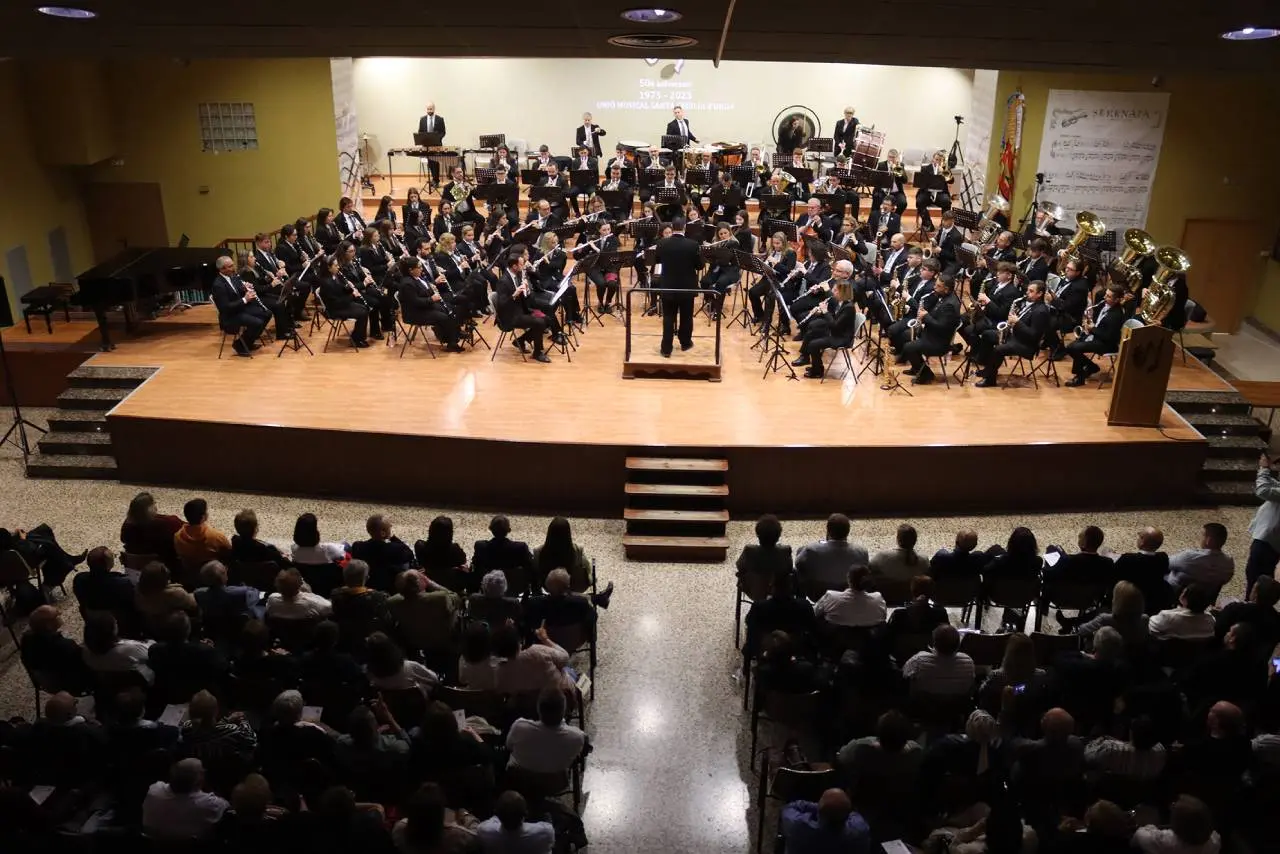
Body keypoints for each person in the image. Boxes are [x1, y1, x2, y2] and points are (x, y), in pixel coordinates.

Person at [976, 280, 1051, 388]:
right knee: (988, 334)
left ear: (1039, 294)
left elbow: (1033, 335)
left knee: (998, 349)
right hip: (1016, 336)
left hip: (1026, 345)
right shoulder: (1029, 304)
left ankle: (990, 379)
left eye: (1031, 291)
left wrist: (1017, 322)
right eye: (1028, 290)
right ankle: (987, 368)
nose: (1027, 293)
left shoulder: (1041, 311)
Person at [142, 758, 229, 840]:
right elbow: (229, 808)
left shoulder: (153, 790)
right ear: (200, 780)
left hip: (154, 848)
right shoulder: (212, 804)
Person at [506, 687, 586, 775]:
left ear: (538, 709)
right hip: (556, 784)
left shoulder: (519, 727)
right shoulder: (577, 737)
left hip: (521, 782)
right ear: (564, 710)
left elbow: (509, 746)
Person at [794, 272, 858, 380]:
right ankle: (815, 364)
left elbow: (835, 325)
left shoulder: (849, 307)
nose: (832, 291)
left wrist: (825, 312)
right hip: (836, 332)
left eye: (835, 290)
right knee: (811, 333)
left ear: (843, 292)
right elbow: (834, 320)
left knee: (814, 344)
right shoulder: (840, 303)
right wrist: (820, 313)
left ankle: (817, 371)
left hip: (842, 338)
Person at [655, 217, 701, 358]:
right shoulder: (692, 245)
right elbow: (699, 266)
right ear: (684, 228)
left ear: (672, 228)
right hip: (687, 287)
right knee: (686, 317)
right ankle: (685, 343)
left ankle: (666, 348)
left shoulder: (662, 243)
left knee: (668, 317)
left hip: (668, 286)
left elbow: (657, 260)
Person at [494, 248, 550, 363]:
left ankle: (521, 340)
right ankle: (537, 353)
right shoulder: (503, 281)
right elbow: (502, 304)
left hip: (520, 309)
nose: (523, 265)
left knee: (547, 319)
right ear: (514, 266)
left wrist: (527, 291)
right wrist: (514, 295)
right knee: (539, 322)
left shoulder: (518, 275)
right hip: (509, 316)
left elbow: (524, 298)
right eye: (521, 264)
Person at [20, 605, 92, 693]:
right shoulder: (64, 645)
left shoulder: (26, 642)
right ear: (48, 625)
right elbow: (85, 664)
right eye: (56, 615)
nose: (60, 614)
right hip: (73, 685)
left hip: (47, 685)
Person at [1065, 284, 1126, 386]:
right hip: (1096, 337)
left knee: (1075, 348)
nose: (1104, 298)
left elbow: (1109, 337)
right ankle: (1092, 367)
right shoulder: (1105, 305)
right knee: (1070, 347)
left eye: (1108, 296)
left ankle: (1080, 378)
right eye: (1106, 295)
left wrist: (1092, 329)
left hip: (1106, 344)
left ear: (1117, 300)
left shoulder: (1116, 315)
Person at [211, 255, 272, 355]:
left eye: (232, 265)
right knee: (257, 322)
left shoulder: (233, 276)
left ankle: (248, 342)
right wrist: (245, 299)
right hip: (230, 316)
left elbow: (237, 290)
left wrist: (245, 288)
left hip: (240, 309)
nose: (233, 268)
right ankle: (240, 345)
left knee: (266, 313)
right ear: (222, 269)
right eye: (230, 266)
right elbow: (225, 308)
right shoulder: (218, 285)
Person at [393, 783, 479, 854]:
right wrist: (465, 815)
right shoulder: (456, 835)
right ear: (441, 813)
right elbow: (477, 834)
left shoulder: (399, 829)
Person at [795, 514, 870, 595]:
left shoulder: (812, 550)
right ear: (848, 532)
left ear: (828, 531)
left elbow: (798, 564)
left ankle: (801, 599)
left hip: (817, 594)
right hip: (848, 594)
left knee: (800, 554)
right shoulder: (861, 552)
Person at [399, 257, 463, 351]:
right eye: (419, 267)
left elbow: (421, 293)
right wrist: (431, 299)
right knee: (442, 317)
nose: (422, 269)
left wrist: (430, 289)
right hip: (414, 313)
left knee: (446, 308)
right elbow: (415, 302)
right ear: (411, 270)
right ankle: (451, 342)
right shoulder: (407, 284)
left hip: (422, 308)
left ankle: (454, 335)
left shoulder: (416, 278)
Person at [780, 787, 871, 854]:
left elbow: (790, 807)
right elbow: (853, 814)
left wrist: (818, 806)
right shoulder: (860, 830)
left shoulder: (797, 826)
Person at [179, 689, 257, 766]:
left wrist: (227, 720)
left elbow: (211, 730)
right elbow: (251, 740)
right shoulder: (232, 731)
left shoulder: (187, 730)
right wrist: (242, 720)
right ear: (216, 711)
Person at [902, 624, 976, 698]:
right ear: (958, 645)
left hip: (922, 707)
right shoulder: (968, 662)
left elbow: (904, 673)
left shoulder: (919, 660)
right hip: (957, 708)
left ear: (934, 643)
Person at [82, 610, 153, 683]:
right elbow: (151, 653)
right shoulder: (128, 650)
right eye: (115, 622)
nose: (116, 621)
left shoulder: (86, 654)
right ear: (111, 632)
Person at [1132, 795, 1219, 854]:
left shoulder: (1167, 841)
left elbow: (1139, 835)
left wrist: (1150, 827)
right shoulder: (1214, 840)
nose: (1172, 805)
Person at [317, 253, 371, 347]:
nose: (338, 267)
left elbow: (341, 290)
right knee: (362, 312)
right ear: (329, 268)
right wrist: (352, 296)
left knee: (364, 308)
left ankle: (357, 336)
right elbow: (336, 302)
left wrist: (349, 288)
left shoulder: (335, 276)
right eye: (335, 265)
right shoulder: (326, 283)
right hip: (335, 309)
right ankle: (357, 339)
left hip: (342, 304)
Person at [1115, 526, 1172, 615]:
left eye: (1140, 535)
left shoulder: (1127, 559)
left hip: (1130, 602)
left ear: (1142, 542)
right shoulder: (1163, 558)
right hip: (1155, 602)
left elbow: (1115, 574)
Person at [1245, 453, 1280, 597]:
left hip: (1269, 540)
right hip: (1271, 539)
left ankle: (1252, 605)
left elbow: (1263, 491)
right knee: (1260, 573)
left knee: (1256, 574)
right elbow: (1276, 486)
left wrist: (1264, 469)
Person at [350, 514, 415, 592]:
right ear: (383, 533)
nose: (391, 526)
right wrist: (393, 538)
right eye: (389, 527)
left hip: (366, 585)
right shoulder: (395, 548)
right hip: (388, 589)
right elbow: (410, 554)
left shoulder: (357, 546)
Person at [472, 516, 535, 595]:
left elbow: (475, 566)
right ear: (509, 530)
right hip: (514, 587)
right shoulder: (520, 548)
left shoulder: (480, 547)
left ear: (491, 529)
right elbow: (531, 568)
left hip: (488, 586)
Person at [477, 791, 554, 854]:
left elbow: (492, 820)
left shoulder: (484, 831)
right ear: (526, 814)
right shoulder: (545, 832)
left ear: (496, 813)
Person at [1166, 522, 1234, 594]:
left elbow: (1166, 562)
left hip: (1175, 592)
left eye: (1202, 535)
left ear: (1208, 540)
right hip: (1206, 598)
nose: (1200, 538)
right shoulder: (1229, 563)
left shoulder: (1191, 557)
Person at [1215, 573, 1280, 647]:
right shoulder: (1276, 620)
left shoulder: (1235, 609)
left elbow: (1218, 629)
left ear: (1255, 594)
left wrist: (1219, 613)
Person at [814, 566, 886, 628]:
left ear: (848, 579)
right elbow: (883, 617)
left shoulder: (831, 597)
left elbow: (814, 612)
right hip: (869, 642)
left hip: (834, 641)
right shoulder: (878, 600)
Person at [121, 492, 183, 564]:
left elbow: (123, 539)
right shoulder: (169, 522)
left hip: (134, 568)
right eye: (154, 503)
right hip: (165, 568)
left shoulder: (127, 525)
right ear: (150, 509)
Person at [135, 561, 198, 630]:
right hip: (173, 628)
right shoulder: (174, 593)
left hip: (149, 627)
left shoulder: (137, 591)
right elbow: (194, 604)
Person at [73, 546, 136, 615]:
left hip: (91, 615)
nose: (114, 557)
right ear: (109, 565)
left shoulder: (79, 579)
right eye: (112, 556)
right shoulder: (122, 583)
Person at [173, 498, 232, 572]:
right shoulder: (216, 536)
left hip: (191, 573)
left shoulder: (177, 536)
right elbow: (229, 552)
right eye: (206, 511)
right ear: (203, 517)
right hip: (213, 573)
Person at [886, 576, 950, 638]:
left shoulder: (899, 614)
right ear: (932, 592)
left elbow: (888, 636)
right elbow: (947, 637)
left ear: (912, 591)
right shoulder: (940, 613)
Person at [736, 514, 794, 583]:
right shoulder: (785, 551)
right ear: (778, 536)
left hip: (755, 589)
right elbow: (789, 569)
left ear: (758, 534)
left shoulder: (749, 551)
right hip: (779, 589)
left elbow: (740, 566)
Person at [1149, 584, 1215, 639]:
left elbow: (1150, 626)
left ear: (1186, 600)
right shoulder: (1211, 620)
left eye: (1183, 592)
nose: (1181, 594)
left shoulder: (1168, 616)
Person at [265, 567, 333, 620]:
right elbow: (329, 608)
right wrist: (310, 593)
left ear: (277, 587)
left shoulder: (272, 599)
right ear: (300, 584)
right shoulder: (311, 602)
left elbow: (268, 611)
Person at [416, 103, 445, 185]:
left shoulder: (440, 119)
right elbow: (420, 132)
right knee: (430, 163)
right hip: (426, 145)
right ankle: (433, 179)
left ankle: (436, 180)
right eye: (428, 109)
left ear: (434, 109)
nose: (429, 111)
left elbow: (443, 132)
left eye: (431, 109)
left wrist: (437, 138)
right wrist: (423, 140)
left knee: (435, 162)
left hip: (436, 145)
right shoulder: (422, 119)